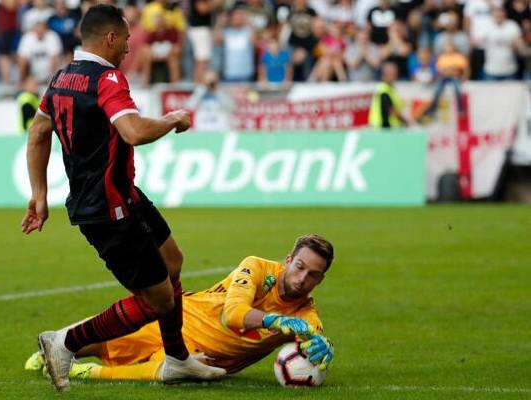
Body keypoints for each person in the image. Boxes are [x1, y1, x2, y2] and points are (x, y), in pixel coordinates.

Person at [20, 4, 226, 392]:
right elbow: (133, 131)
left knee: (173, 261)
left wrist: (39, 196)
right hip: (108, 209)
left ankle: (177, 359)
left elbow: (38, 133)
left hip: (122, 195)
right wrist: (172, 118)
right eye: (127, 39)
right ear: (110, 38)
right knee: (158, 301)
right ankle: (65, 342)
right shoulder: (107, 78)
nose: (130, 48)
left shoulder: (61, 78)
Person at [24, 234, 336, 381]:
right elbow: (234, 315)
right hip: (180, 319)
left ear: (320, 280)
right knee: (102, 342)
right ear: (287, 261)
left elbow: (314, 342)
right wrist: (276, 321)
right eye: (299, 267)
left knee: (172, 374)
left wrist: (323, 347)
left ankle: (85, 372)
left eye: (313, 275)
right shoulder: (256, 267)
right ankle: (55, 350)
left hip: (208, 360)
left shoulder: (306, 316)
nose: (302, 279)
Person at [418, 41, 469, 123]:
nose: (449, 49)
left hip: (455, 77)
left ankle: (461, 109)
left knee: (457, 89)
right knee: (437, 90)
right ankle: (432, 110)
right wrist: (450, 71)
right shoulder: (442, 57)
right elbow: (439, 70)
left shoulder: (459, 57)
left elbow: (465, 69)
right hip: (444, 77)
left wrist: (464, 77)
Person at [368, 61, 409, 128]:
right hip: (382, 128)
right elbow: (391, 110)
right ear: (385, 74)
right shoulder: (383, 90)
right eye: (392, 73)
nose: (395, 75)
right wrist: (405, 121)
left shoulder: (391, 89)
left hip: (389, 128)